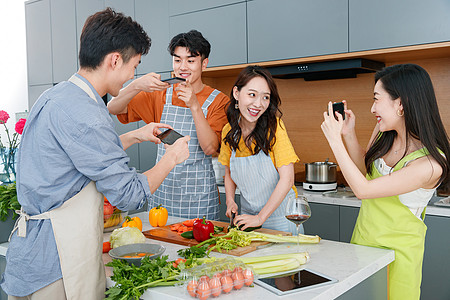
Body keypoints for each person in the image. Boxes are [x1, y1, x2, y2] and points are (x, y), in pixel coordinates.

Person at [0, 8, 190, 300]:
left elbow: (80, 156)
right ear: (115, 59)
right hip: (59, 265)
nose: (132, 75)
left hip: (30, 260)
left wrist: (136, 135)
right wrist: (171, 157)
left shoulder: (56, 95)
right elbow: (130, 194)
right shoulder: (88, 113)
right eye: (134, 66)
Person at [321, 64, 450, 300]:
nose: (372, 109)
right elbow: (366, 173)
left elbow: (363, 190)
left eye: (376, 99)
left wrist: (334, 142)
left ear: (400, 104)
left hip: (397, 260)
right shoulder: (384, 133)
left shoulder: (431, 163)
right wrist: (348, 134)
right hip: (362, 247)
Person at [108, 30, 229, 220]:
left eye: (190, 60)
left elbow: (210, 148)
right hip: (162, 196)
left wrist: (195, 106)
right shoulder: (160, 95)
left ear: (204, 63)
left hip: (199, 200)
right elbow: (113, 107)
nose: (183, 67)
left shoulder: (219, 101)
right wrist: (136, 85)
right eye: (177, 60)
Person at [218, 65, 300, 234]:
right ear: (236, 93)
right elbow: (228, 173)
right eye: (252, 95)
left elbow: (287, 179)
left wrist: (261, 218)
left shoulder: (275, 127)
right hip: (248, 217)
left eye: (265, 97)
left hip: (281, 218)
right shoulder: (229, 131)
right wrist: (230, 201)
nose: (258, 104)